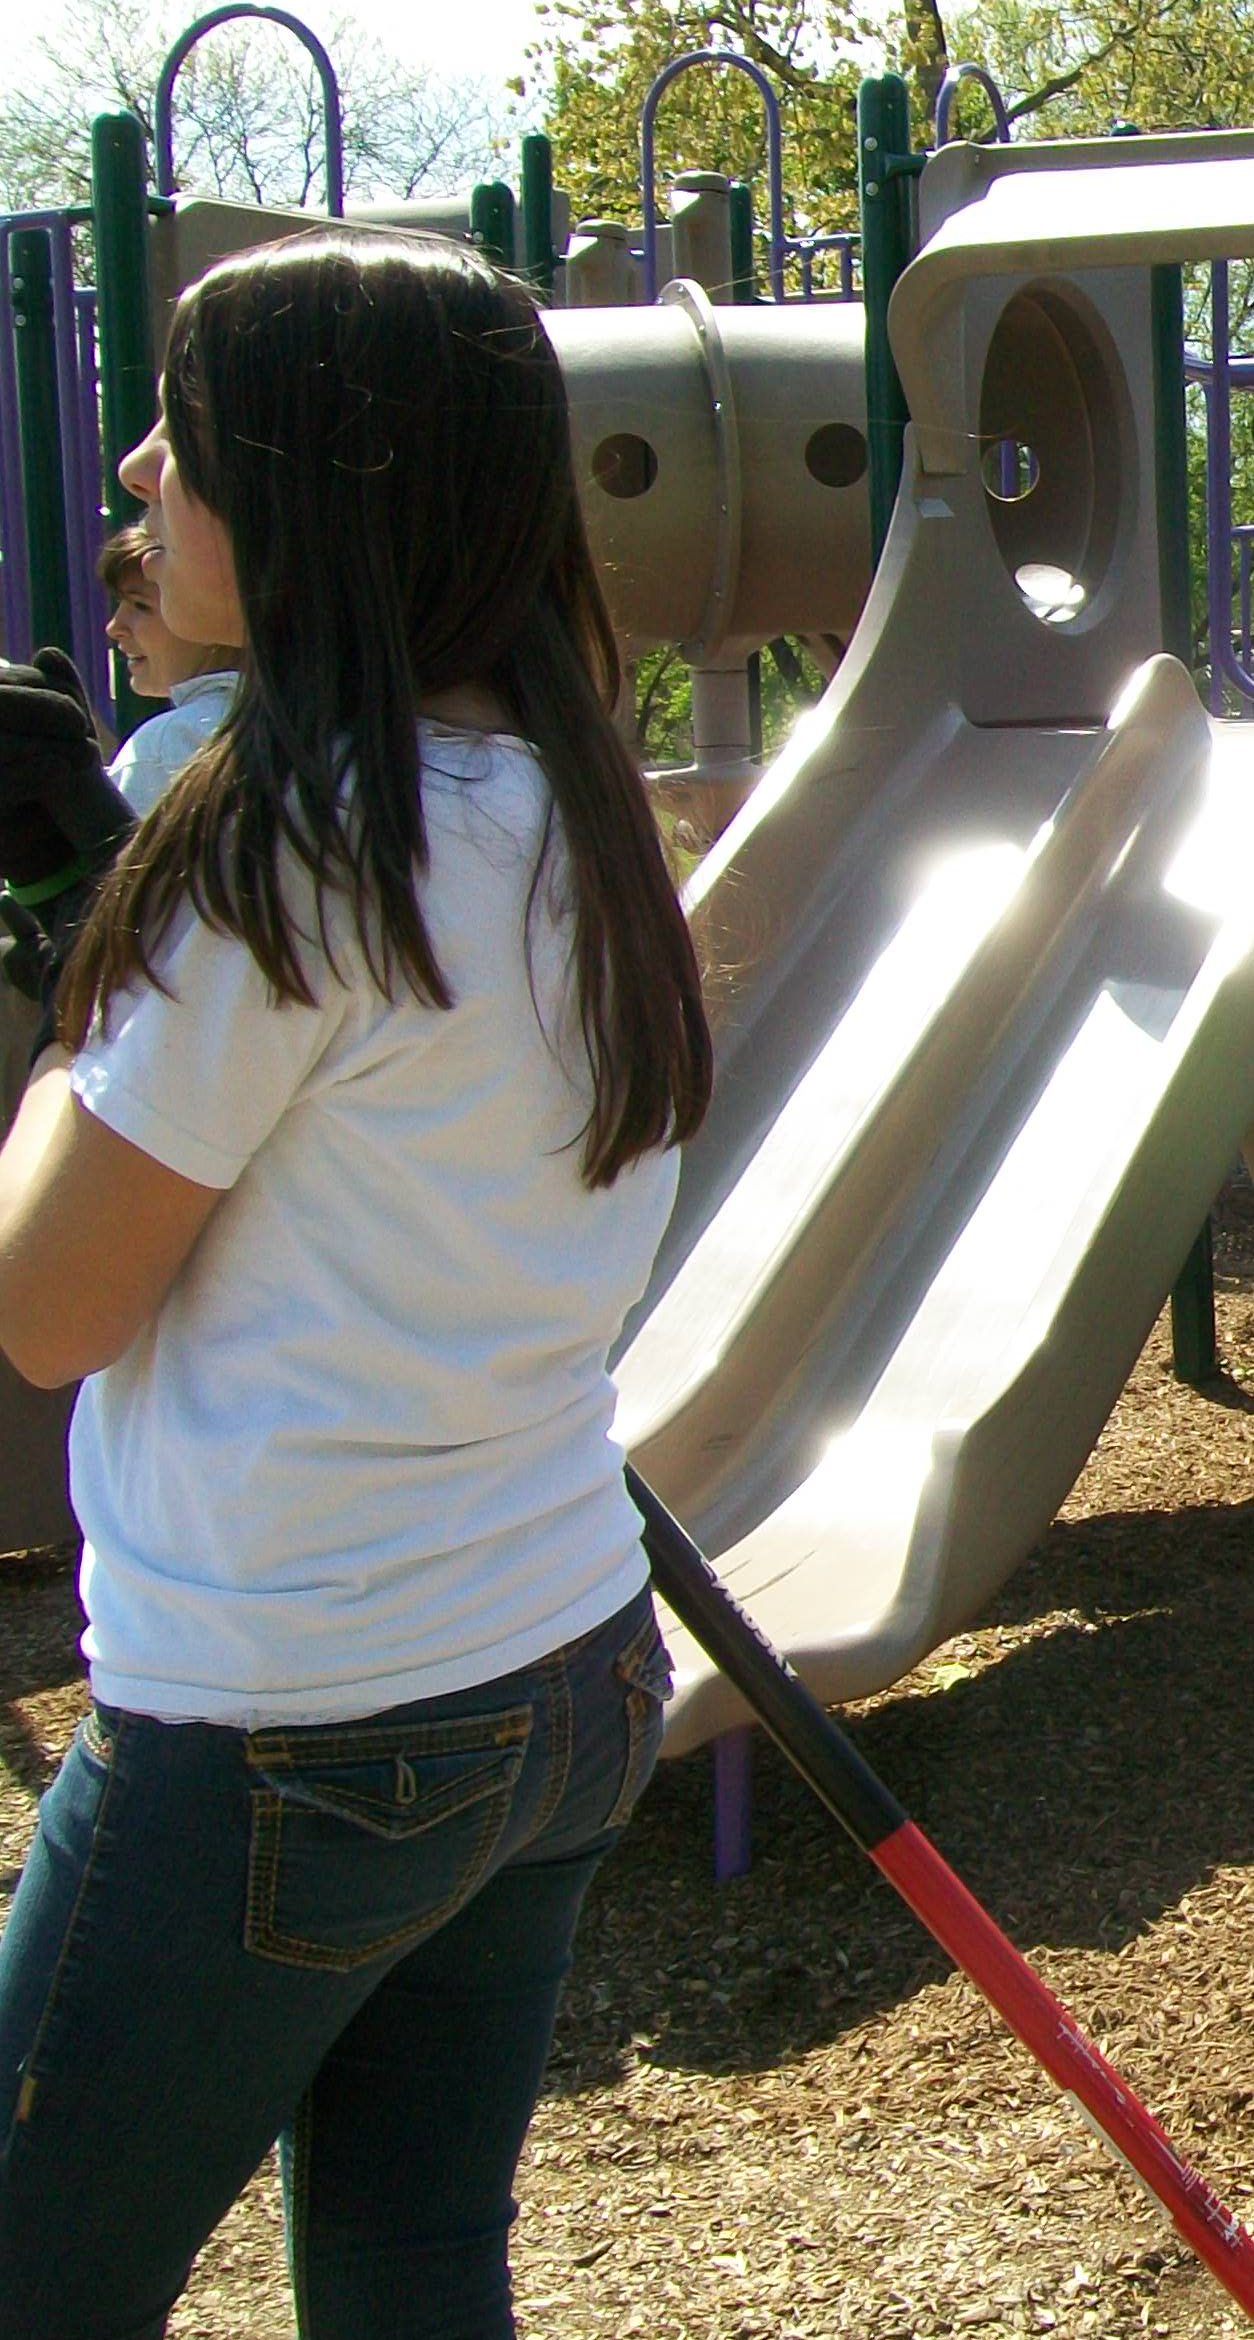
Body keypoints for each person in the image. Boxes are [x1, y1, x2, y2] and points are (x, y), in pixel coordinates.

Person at [0, 227, 713, 2337]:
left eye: (182, 445)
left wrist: (74, 960)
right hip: (560, 1666)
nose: (132, 476)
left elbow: (48, 1308)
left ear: (323, 494)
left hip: (290, 1713)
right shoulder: (584, 815)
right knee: (409, 2263)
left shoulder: (287, 842)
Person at [96, 520, 242, 814]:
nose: (115, 627)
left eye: (140, 606)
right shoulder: (306, 718)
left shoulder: (165, 746)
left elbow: (120, 859)